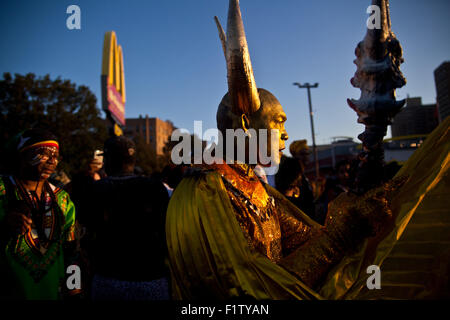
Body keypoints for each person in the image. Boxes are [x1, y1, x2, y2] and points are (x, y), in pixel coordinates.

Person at [165, 0, 402, 300]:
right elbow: (253, 289)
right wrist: (340, 236)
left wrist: (354, 208)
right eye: (278, 122)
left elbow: (305, 243)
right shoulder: (208, 193)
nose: (286, 134)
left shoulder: (252, 186)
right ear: (244, 123)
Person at [87, 135, 170, 300]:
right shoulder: (156, 188)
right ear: (133, 160)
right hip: (152, 280)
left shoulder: (96, 190)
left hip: (109, 280)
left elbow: (85, 238)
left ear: (108, 160)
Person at [0, 128, 77, 299]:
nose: (52, 161)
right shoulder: (2, 190)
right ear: (22, 155)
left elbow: (72, 252)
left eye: (56, 156)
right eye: (43, 153)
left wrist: (75, 287)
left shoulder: (63, 200)